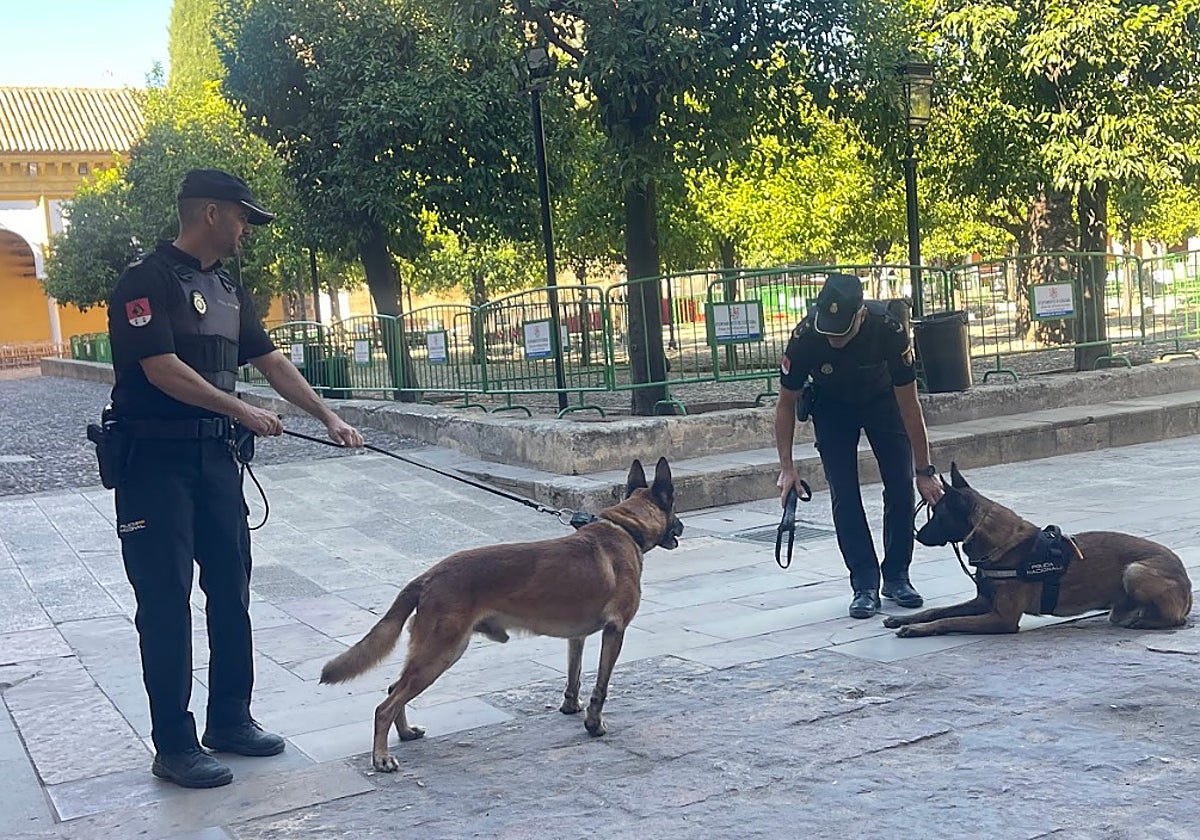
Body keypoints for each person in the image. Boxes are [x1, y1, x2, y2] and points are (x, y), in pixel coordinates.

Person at [103, 168, 365, 788]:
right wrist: (240, 409)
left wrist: (327, 416)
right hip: (156, 467)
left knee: (231, 592)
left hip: (218, 465)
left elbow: (270, 359)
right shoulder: (147, 281)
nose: (248, 228)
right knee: (165, 605)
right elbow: (161, 368)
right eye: (243, 216)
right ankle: (174, 744)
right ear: (212, 214)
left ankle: (230, 720)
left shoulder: (226, 289)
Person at [774, 273, 943, 620]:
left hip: (883, 403)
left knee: (899, 486)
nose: (834, 340)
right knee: (845, 494)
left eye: (843, 332)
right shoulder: (806, 337)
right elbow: (785, 404)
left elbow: (910, 405)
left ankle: (897, 576)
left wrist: (924, 471)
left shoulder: (889, 329)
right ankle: (864, 583)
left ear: (861, 316)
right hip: (832, 409)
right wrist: (787, 468)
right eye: (830, 331)